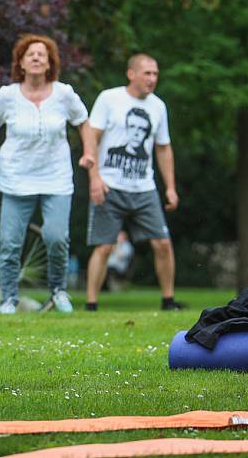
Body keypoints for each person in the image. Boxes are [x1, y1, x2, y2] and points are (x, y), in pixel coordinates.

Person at [0, 34, 95, 314]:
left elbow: (83, 122)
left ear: (49, 63)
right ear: (20, 63)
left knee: (56, 238)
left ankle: (58, 291)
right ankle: (9, 299)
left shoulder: (64, 94)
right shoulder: (7, 95)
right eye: (29, 54)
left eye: (41, 54)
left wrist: (89, 152)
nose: (35, 58)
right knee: (10, 243)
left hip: (56, 177)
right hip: (16, 178)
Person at [84, 53, 182, 311]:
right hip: (109, 185)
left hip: (144, 188)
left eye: (155, 74)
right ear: (131, 74)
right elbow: (91, 138)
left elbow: (163, 148)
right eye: (147, 73)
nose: (152, 79)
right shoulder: (109, 99)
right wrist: (95, 178)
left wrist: (170, 187)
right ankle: (91, 305)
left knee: (162, 243)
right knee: (104, 247)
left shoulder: (158, 106)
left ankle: (168, 301)